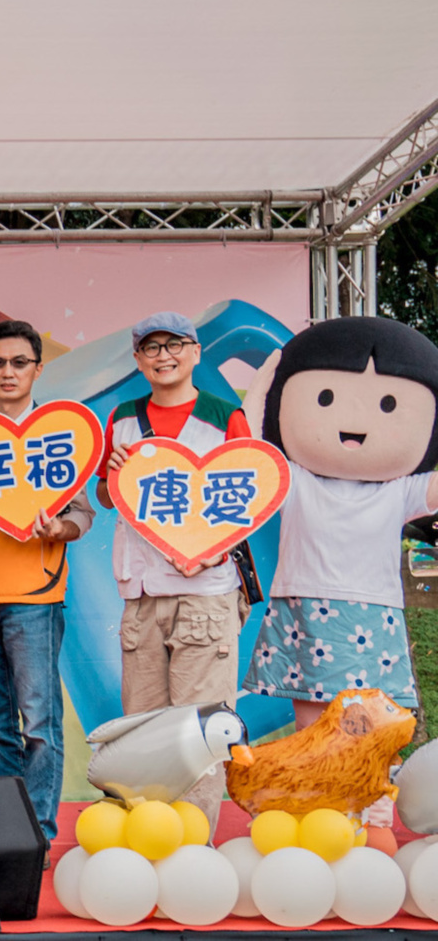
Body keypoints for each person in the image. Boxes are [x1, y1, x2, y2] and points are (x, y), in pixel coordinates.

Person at [243, 317, 438, 832]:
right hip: (304, 606)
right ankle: (321, 816)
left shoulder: (399, 489)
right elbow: (249, 445)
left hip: (371, 613)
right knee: (313, 731)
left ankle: (371, 809)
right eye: (326, 399)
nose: (355, 421)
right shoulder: (295, 477)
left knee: (371, 724)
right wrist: (270, 374)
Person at [95, 311, 251, 826]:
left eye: (175, 344)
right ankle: (146, 838)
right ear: (138, 360)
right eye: (152, 347)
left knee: (200, 728)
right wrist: (112, 475)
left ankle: (193, 844)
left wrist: (216, 549)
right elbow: (106, 496)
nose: (164, 356)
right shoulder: (122, 418)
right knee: (143, 729)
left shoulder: (224, 416)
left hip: (205, 591)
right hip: (141, 592)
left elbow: (249, 496)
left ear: (196, 352)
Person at [0, 323, 93, 844]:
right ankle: (4, 832)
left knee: (38, 722)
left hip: (34, 595)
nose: (7, 372)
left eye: (19, 362)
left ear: (38, 368)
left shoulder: (59, 437)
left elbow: (82, 513)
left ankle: (36, 836)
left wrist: (59, 529)